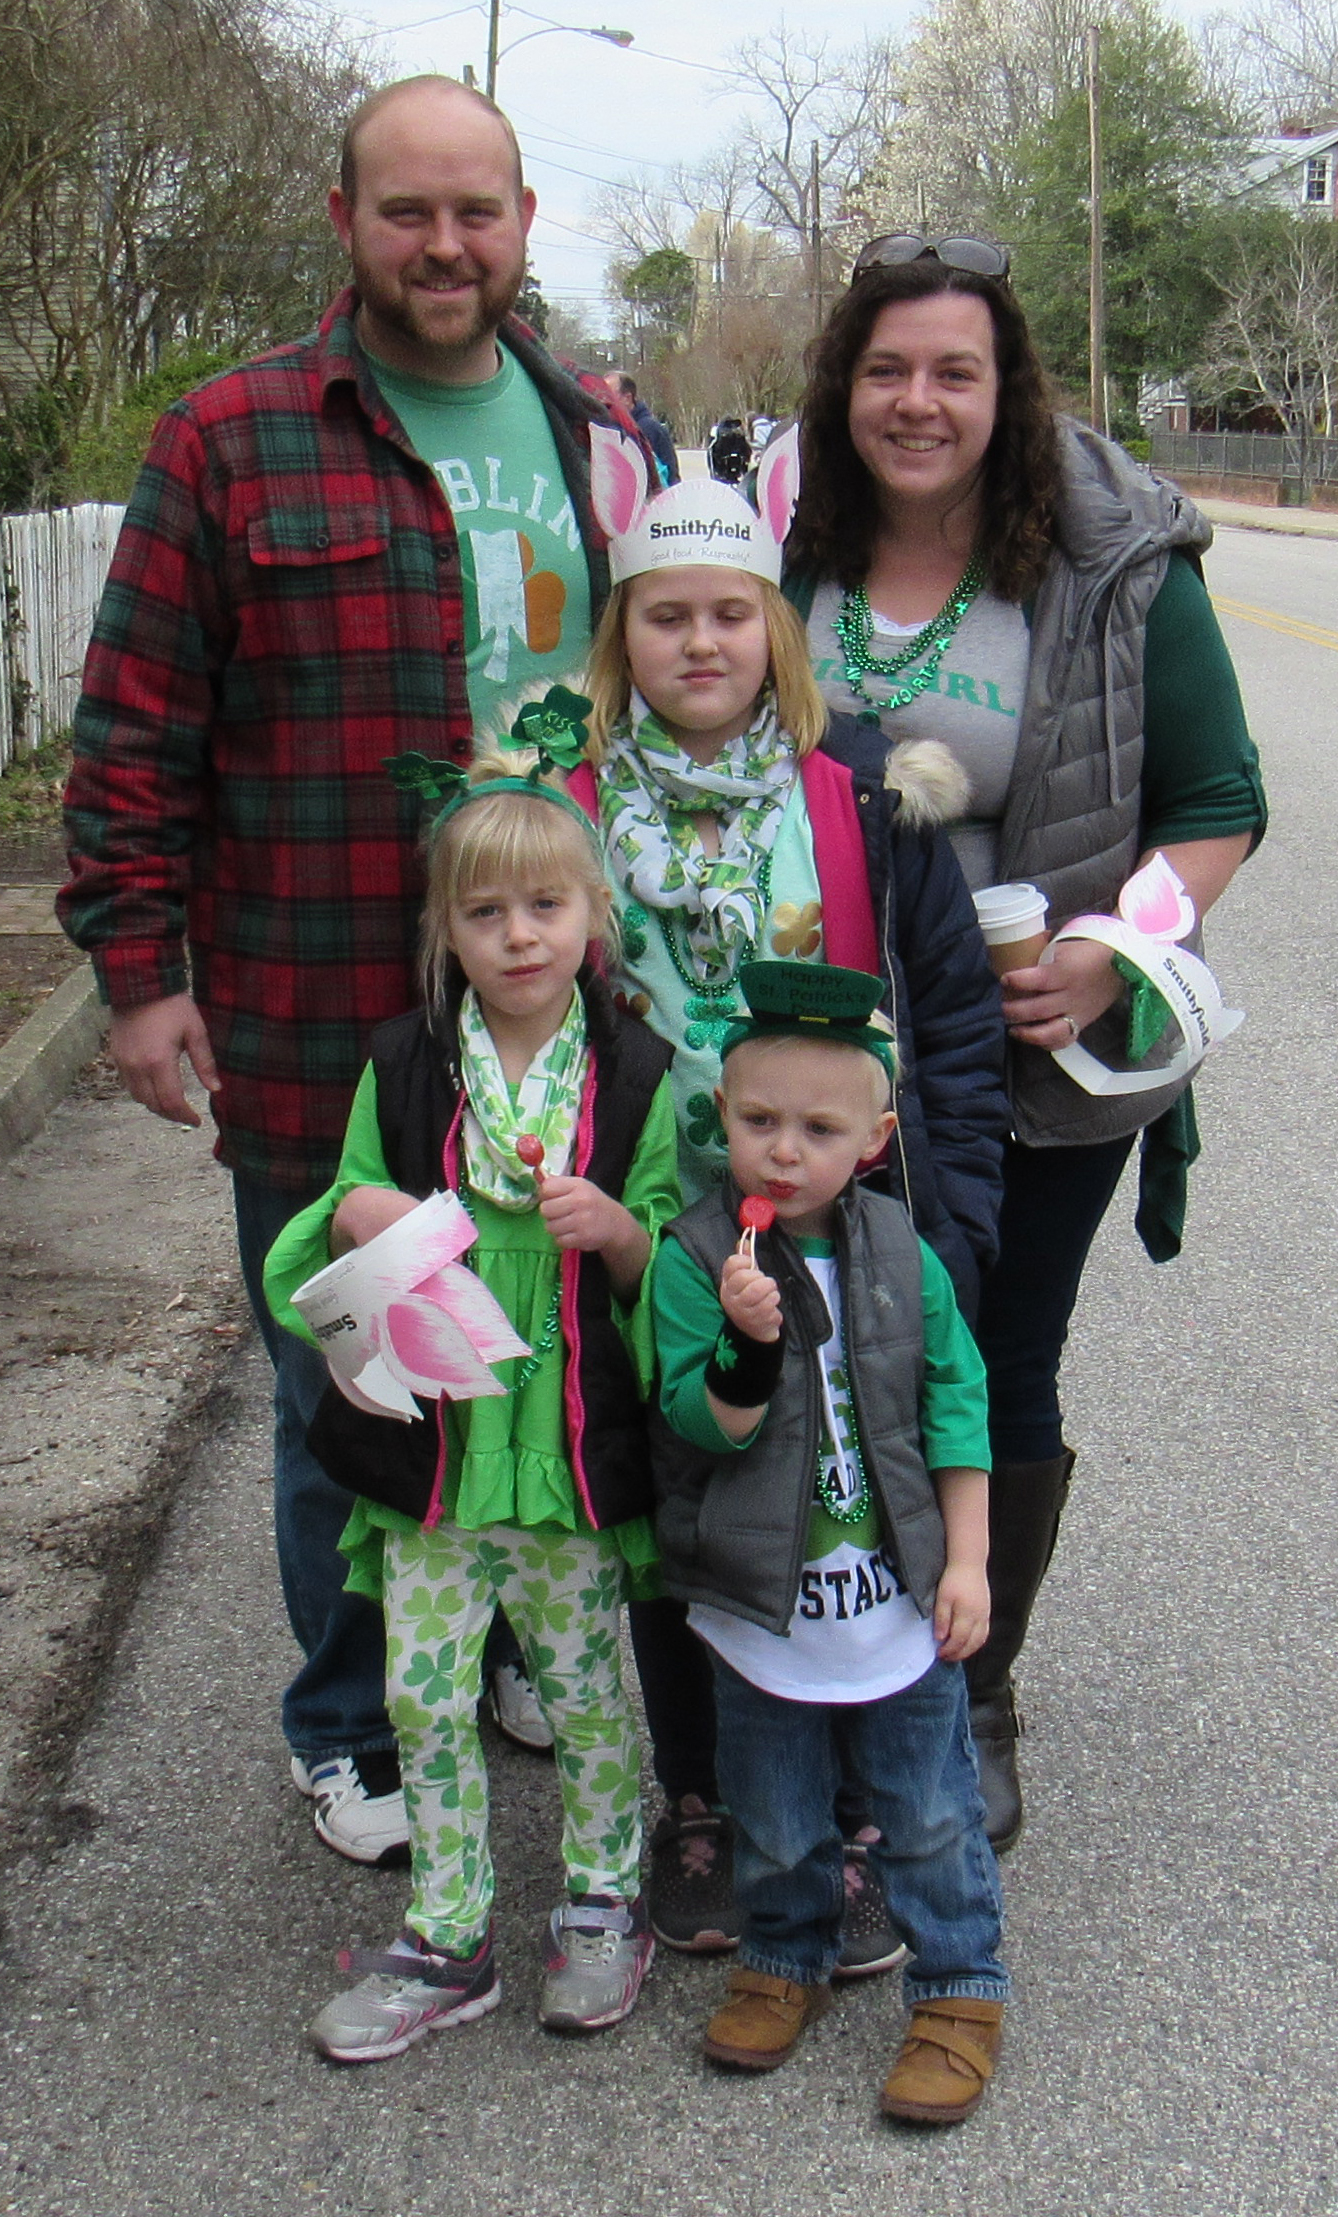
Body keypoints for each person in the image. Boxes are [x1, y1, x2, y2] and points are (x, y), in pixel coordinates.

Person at [56, 75, 651, 1862]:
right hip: (329, 1010)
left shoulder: (602, 431)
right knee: (353, 1382)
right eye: (407, 211)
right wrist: (141, 972)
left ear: (527, 221)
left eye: (476, 210)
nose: (444, 245)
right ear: (345, 221)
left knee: (534, 1354)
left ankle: (502, 1652)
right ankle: (352, 1716)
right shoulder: (231, 436)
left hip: (558, 1014)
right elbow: (134, 726)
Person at [785, 232, 1267, 1849]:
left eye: (952, 371)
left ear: (1006, 390)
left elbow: (1214, 807)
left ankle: (972, 1689)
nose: (914, 402)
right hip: (813, 1064)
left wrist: (1110, 946)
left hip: (1031, 1065)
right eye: (884, 370)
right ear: (842, 387)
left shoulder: (1111, 560)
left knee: (992, 1364)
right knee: (825, 1352)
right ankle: (826, 1664)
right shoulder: (802, 551)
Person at [564, 425, 1008, 1963]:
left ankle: (871, 1807)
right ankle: (707, 1794)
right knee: (684, 1503)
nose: (700, 638)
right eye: (666, 611)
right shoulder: (565, 808)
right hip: (645, 1241)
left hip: (841, 1235)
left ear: (777, 629)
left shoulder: (861, 807)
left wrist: (947, 1228)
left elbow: (944, 1018)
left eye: (730, 609)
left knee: (854, 1496)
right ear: (623, 629)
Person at [264, 741, 680, 2056]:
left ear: (592, 914)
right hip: (437, 1452)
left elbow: (672, 1273)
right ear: (445, 927)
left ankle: (607, 1901)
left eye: (545, 907)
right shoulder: (402, 1067)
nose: (517, 937)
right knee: (427, 1696)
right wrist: (367, 1205)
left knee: (584, 1688)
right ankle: (450, 1932)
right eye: (484, 912)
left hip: (562, 1448)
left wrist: (615, 1230)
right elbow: (326, 1243)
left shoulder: (640, 1074)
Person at [652, 960, 1008, 2124]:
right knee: (779, 1809)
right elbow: (699, 1424)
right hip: (763, 1610)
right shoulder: (695, 1257)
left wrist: (965, 1561)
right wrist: (745, 1345)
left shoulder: (902, 1252)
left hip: (896, 1605)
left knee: (929, 1809)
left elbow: (957, 1406)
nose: (784, 1151)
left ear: (875, 1138)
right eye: (758, 1122)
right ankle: (784, 1955)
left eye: (818, 1127)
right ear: (721, 1121)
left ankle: (960, 1986)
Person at [605, 371, 679, 485]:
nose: (604, 401)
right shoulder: (609, 430)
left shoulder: (649, 429)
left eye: (609, 395)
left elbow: (670, 476)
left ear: (627, 398)